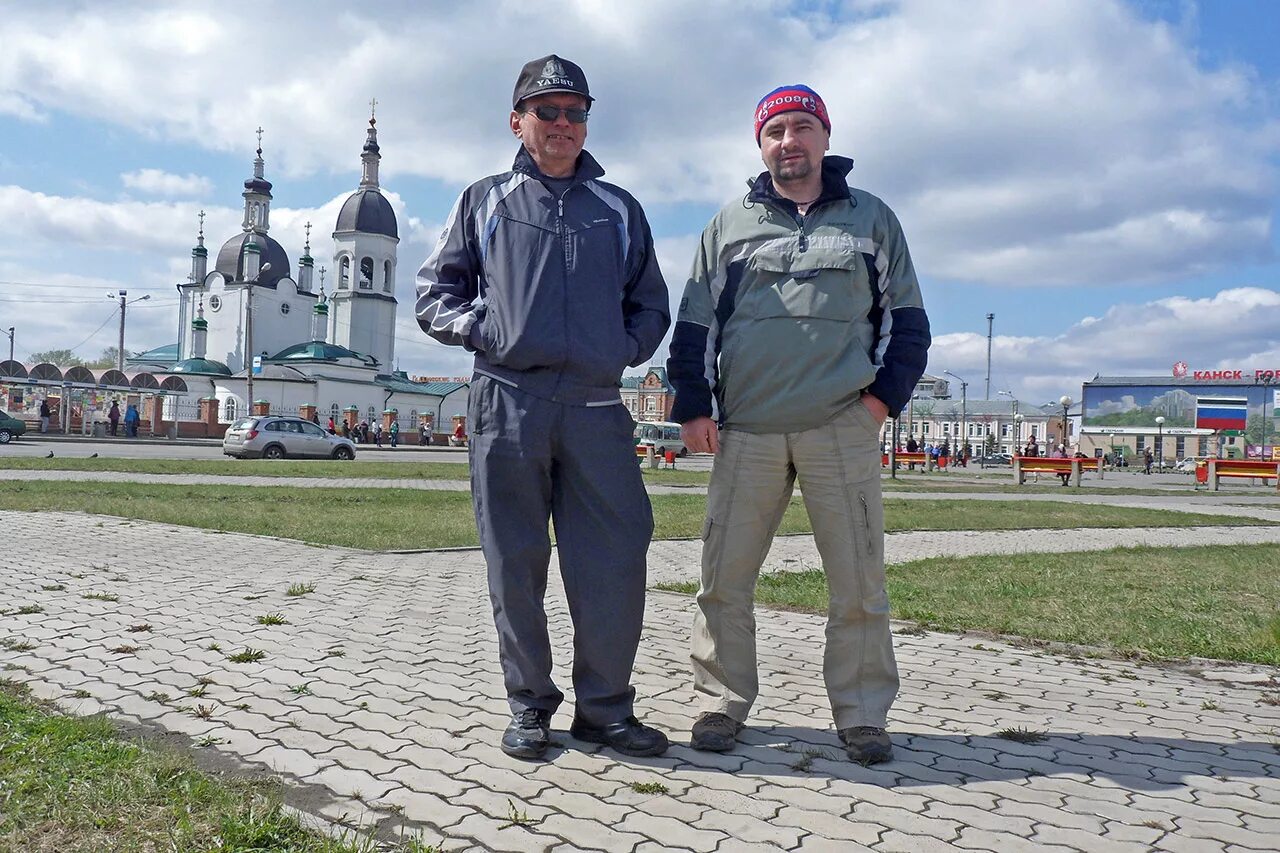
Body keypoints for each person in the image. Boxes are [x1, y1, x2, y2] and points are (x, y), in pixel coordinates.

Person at [416, 54, 671, 761]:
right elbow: (434, 293)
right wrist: (485, 330)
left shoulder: (619, 208)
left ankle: (606, 711)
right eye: (548, 111)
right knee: (515, 559)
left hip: (595, 407)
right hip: (508, 402)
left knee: (614, 558)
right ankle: (530, 704)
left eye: (576, 112)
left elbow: (652, 302)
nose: (563, 124)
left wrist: (622, 346)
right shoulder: (485, 200)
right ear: (517, 121)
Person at [667, 84, 930, 764]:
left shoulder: (873, 220)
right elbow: (695, 324)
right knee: (724, 576)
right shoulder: (729, 225)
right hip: (748, 429)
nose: (790, 140)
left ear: (825, 136)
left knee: (859, 581)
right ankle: (721, 701)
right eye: (776, 130)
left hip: (839, 428)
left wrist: (878, 406)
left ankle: (863, 712)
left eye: (802, 127)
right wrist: (694, 406)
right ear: (761, 144)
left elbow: (908, 324)